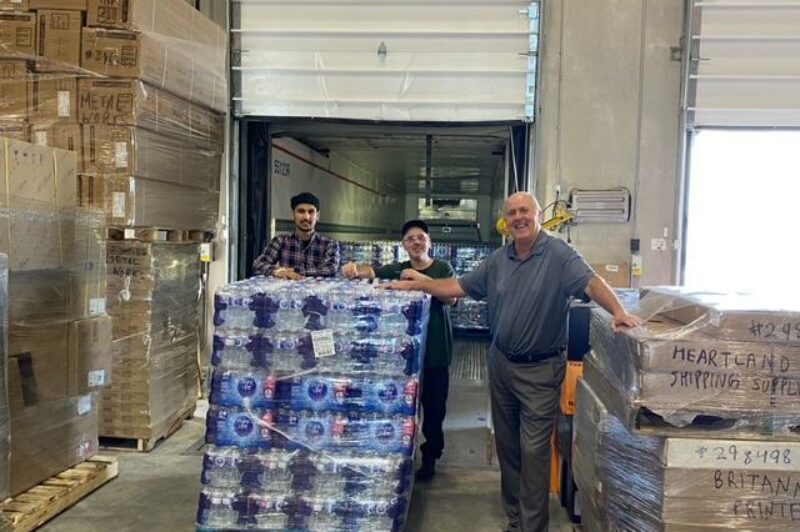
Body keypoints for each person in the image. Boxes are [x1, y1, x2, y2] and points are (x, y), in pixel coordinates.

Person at [382, 192, 640, 532]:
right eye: (511, 213)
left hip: (541, 369)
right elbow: (458, 287)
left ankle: (531, 528)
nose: (518, 218)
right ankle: (516, 521)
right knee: (507, 448)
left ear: (536, 215)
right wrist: (415, 286)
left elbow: (592, 283)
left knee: (533, 452)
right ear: (505, 221)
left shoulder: (560, 255)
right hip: (501, 364)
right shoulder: (498, 260)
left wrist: (619, 311)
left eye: (524, 211)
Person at [341, 220, 456, 481]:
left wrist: (419, 279)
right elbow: (373, 271)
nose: (416, 242)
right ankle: (399, 454)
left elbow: (451, 297)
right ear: (404, 245)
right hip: (405, 356)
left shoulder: (442, 268)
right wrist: (354, 270)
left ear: (429, 242)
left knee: (435, 409)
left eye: (420, 238)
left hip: (436, 352)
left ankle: (430, 456)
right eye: (410, 239)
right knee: (402, 407)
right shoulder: (399, 269)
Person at [252, 192, 340, 279]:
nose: (306, 217)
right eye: (301, 211)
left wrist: (291, 273)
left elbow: (330, 268)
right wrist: (276, 271)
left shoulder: (330, 244)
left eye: (311, 212)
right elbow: (259, 264)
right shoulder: (280, 241)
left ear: (317, 215)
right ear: (293, 214)